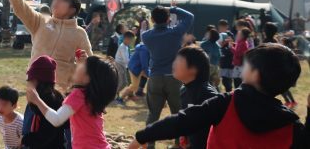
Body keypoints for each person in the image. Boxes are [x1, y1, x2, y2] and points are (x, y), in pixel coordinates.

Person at [129, 44, 309, 149]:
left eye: (247, 65)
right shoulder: (290, 125)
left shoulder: (226, 103)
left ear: (255, 74)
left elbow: (181, 121)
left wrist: (142, 136)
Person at [0, 0, 92, 90]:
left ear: (73, 10)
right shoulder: (41, 21)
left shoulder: (79, 33)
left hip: (61, 90)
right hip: (35, 85)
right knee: (32, 111)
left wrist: (82, 64)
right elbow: (20, 7)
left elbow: (90, 65)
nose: (56, 1)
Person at [26, 55, 118, 149]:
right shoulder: (92, 96)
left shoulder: (78, 95)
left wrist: (37, 100)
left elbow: (57, 120)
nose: (78, 66)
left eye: (83, 65)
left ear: (87, 78)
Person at [140, 5, 194, 147]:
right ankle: (178, 144)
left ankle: (150, 145)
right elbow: (190, 17)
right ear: (168, 19)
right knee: (178, 114)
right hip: (175, 78)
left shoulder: (146, 36)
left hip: (155, 78)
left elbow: (147, 30)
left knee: (153, 114)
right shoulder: (176, 33)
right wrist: (173, 8)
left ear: (152, 19)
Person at [171, 46, 218, 149]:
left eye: (179, 61)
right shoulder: (184, 89)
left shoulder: (208, 95)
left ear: (193, 69)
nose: (174, 63)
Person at [21, 56, 65, 149]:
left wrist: (25, 140)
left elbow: (47, 134)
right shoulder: (34, 100)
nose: (29, 85)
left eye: (32, 80)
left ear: (41, 83)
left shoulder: (52, 101)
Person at [114, 31, 135, 103]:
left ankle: (115, 95)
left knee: (124, 82)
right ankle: (113, 95)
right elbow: (126, 60)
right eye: (131, 40)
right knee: (122, 82)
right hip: (119, 65)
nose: (131, 42)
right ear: (126, 39)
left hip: (122, 65)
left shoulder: (125, 46)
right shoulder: (123, 47)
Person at [280, 38, 298, 108]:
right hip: (285, 71)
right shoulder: (287, 50)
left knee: (283, 88)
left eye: (282, 42)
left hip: (285, 72)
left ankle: (291, 101)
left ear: (285, 43)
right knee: (283, 88)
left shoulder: (286, 51)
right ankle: (290, 101)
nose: (280, 43)